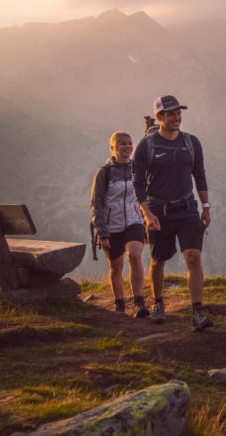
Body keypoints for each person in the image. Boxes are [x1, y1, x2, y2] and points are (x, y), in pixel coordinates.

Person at [132, 95, 212, 330]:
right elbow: (137, 183)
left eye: (178, 113)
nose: (177, 118)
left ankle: (197, 312)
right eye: (171, 114)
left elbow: (200, 175)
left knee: (193, 256)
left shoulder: (191, 142)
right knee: (158, 260)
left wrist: (206, 206)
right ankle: (158, 303)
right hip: (158, 211)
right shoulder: (147, 146)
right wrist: (146, 213)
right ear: (159, 117)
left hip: (187, 208)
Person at [90, 131, 149, 317]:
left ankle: (139, 302)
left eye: (129, 143)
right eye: (122, 144)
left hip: (134, 221)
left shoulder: (137, 169)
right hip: (111, 226)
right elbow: (96, 204)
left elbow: (144, 197)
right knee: (116, 267)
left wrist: (146, 223)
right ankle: (120, 303)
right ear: (113, 148)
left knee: (135, 255)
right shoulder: (104, 173)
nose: (127, 147)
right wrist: (102, 232)